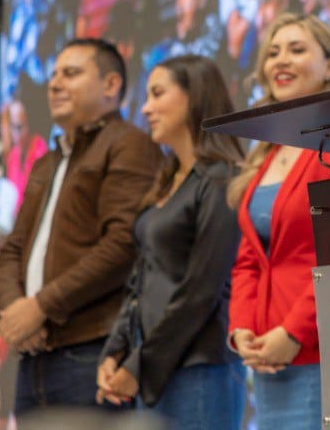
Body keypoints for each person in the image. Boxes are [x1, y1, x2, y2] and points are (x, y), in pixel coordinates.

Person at [0, 38, 162, 416]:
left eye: (70, 73)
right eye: (53, 75)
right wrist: (16, 312)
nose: (54, 84)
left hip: (92, 351)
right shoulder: (47, 162)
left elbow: (123, 245)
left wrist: (41, 306)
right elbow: (12, 249)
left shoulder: (128, 145)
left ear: (111, 86)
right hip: (33, 357)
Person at [96, 56, 247, 426]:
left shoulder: (221, 179)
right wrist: (115, 350)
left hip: (198, 368)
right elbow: (142, 277)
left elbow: (201, 289)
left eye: (157, 94)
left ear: (194, 96)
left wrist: (142, 363)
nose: (145, 107)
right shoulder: (168, 180)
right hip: (154, 366)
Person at [226, 13, 330, 429]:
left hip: (320, 353)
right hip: (266, 359)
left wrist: (296, 333)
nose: (280, 61)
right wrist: (241, 330)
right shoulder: (265, 153)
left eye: (297, 50)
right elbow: (250, 257)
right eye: (273, 52)